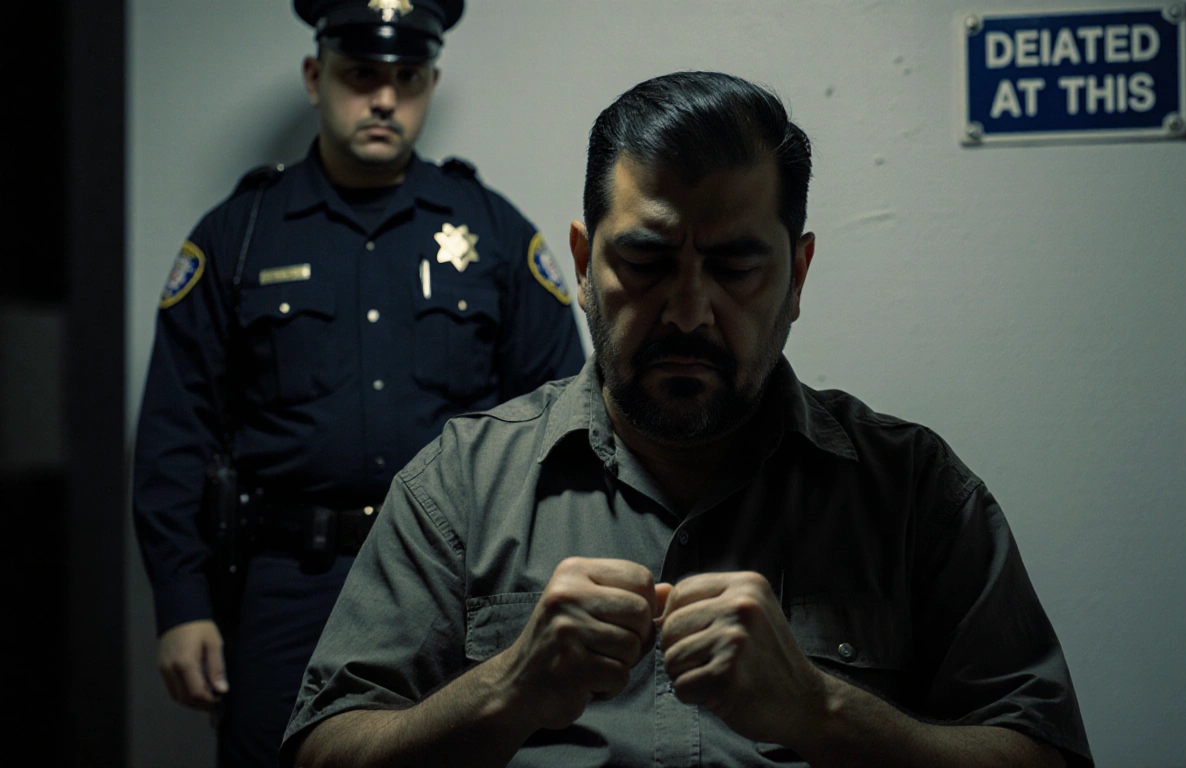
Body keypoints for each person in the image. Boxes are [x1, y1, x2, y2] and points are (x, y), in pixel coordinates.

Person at [280, 71, 1093, 768]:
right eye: (645, 262)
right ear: (582, 266)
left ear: (798, 274)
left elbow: (1044, 752)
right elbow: (320, 750)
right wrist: (508, 690)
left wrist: (821, 711)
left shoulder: (914, 491)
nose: (689, 311)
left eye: (737, 266)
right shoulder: (460, 482)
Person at [132, 1, 586, 764]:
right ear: (317, 77)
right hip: (287, 585)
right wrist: (182, 605)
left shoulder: (492, 232)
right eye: (361, 75)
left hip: (458, 581)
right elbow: (177, 431)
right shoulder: (239, 235)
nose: (384, 98)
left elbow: (563, 417)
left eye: (406, 78)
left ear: (430, 84)